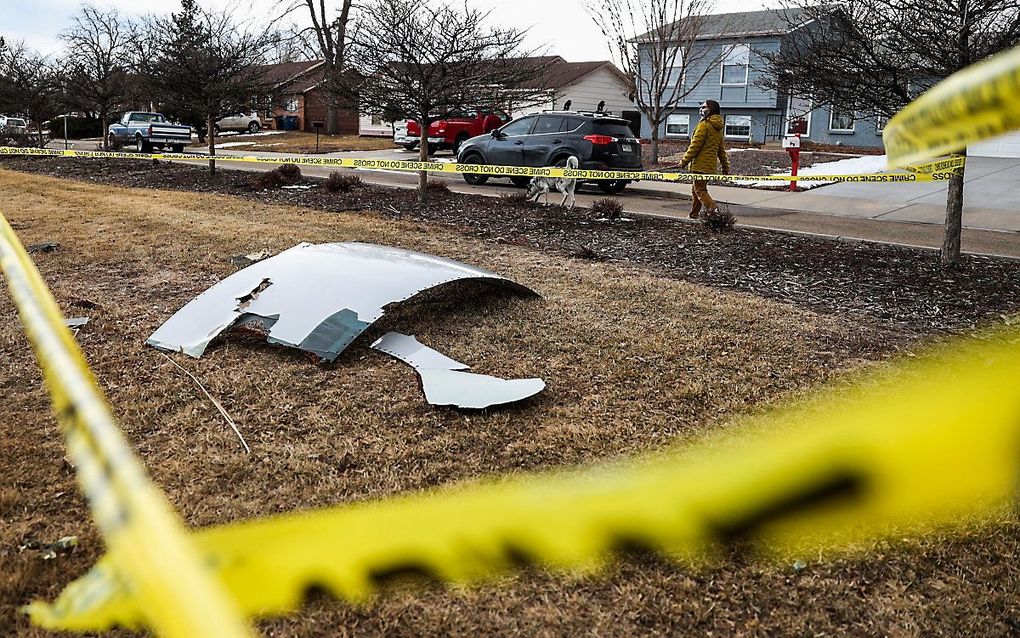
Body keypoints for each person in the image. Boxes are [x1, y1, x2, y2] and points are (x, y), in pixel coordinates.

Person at [679, 100, 730, 219]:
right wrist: (725, 166)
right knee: (696, 190)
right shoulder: (717, 127)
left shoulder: (704, 125)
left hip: (700, 166)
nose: (701, 109)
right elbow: (721, 150)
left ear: (711, 109)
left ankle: (716, 213)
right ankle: (693, 215)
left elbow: (695, 146)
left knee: (700, 191)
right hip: (709, 166)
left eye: (704, 107)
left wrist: (684, 161)